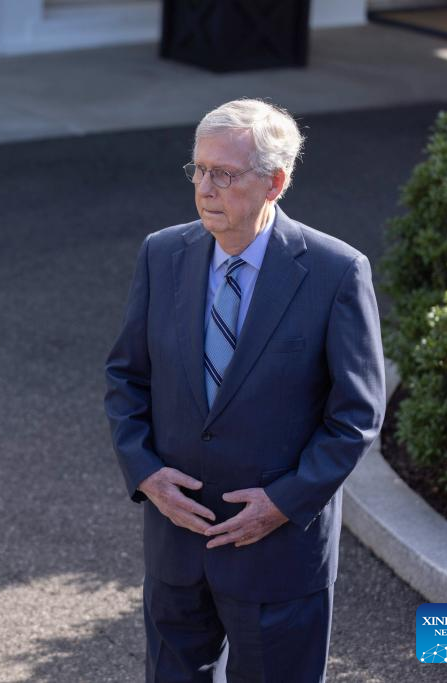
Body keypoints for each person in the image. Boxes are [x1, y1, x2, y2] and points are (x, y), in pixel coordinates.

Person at [104, 99, 385, 682]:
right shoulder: (162, 254)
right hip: (177, 545)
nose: (206, 188)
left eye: (225, 174)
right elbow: (127, 377)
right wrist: (146, 474)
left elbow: (356, 415)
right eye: (199, 169)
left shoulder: (336, 271)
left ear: (275, 183)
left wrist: (284, 502)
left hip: (279, 557)